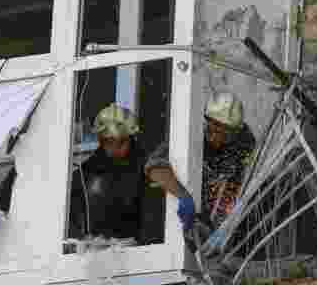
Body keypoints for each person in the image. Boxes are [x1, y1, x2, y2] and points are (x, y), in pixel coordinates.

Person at [145, 93, 256, 239]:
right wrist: (183, 196)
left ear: (235, 132)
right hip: (186, 206)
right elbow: (154, 167)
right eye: (214, 129)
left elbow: (241, 183)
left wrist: (224, 224)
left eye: (226, 133)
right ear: (206, 122)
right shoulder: (191, 132)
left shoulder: (243, 143)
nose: (218, 138)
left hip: (219, 207)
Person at [68, 104, 149, 243]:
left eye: (122, 141)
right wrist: (83, 240)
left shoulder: (146, 168)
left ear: (130, 138)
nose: (115, 147)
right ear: (100, 139)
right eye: (109, 141)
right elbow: (69, 219)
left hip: (139, 254)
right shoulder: (84, 174)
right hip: (96, 254)